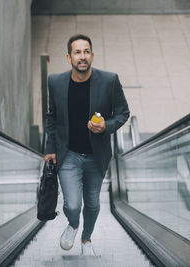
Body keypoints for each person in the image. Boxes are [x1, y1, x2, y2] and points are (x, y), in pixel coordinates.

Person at [44, 34, 130, 255]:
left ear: (92, 55)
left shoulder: (109, 81)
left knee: (92, 204)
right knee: (73, 205)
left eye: (86, 52)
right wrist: (50, 149)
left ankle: (86, 239)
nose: (82, 57)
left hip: (96, 156)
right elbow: (51, 117)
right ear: (69, 57)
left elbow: (122, 113)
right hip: (68, 155)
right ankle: (73, 225)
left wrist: (107, 127)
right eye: (77, 52)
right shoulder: (55, 82)